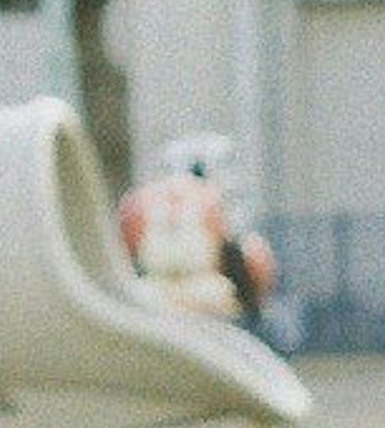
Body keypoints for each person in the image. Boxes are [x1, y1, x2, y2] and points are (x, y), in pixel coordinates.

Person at [116, 136, 274, 327]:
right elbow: (245, 262)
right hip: (195, 299)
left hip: (157, 298)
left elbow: (124, 253)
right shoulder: (212, 200)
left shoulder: (137, 201)